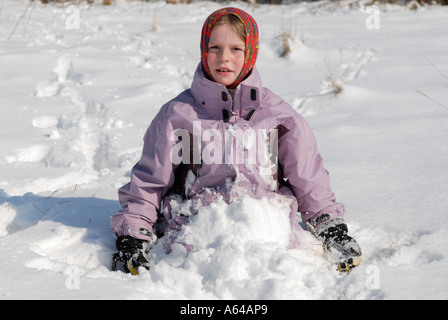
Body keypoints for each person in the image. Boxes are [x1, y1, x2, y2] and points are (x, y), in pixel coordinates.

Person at [110, 7, 361, 275]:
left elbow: (308, 176)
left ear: (251, 52)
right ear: (203, 50)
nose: (223, 58)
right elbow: (149, 180)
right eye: (215, 47)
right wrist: (134, 235)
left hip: (267, 236)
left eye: (235, 49)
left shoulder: (279, 116)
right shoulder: (177, 115)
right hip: (194, 239)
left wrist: (329, 226)